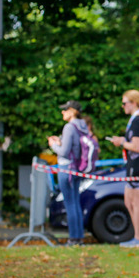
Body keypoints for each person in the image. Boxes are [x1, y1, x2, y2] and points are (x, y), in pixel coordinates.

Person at [47, 100, 90, 246]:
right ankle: (79, 238)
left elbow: (64, 152)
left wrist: (53, 145)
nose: (62, 112)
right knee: (75, 203)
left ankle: (73, 239)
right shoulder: (82, 126)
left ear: (72, 111)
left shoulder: (69, 127)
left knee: (70, 204)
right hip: (77, 169)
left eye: (65, 110)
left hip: (66, 169)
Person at [111, 90, 139, 249]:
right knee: (129, 201)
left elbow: (136, 146)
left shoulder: (137, 120)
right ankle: (137, 237)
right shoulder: (138, 119)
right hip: (133, 164)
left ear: (134, 103)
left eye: (125, 103)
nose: (123, 106)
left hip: (136, 164)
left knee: (136, 202)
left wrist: (121, 142)